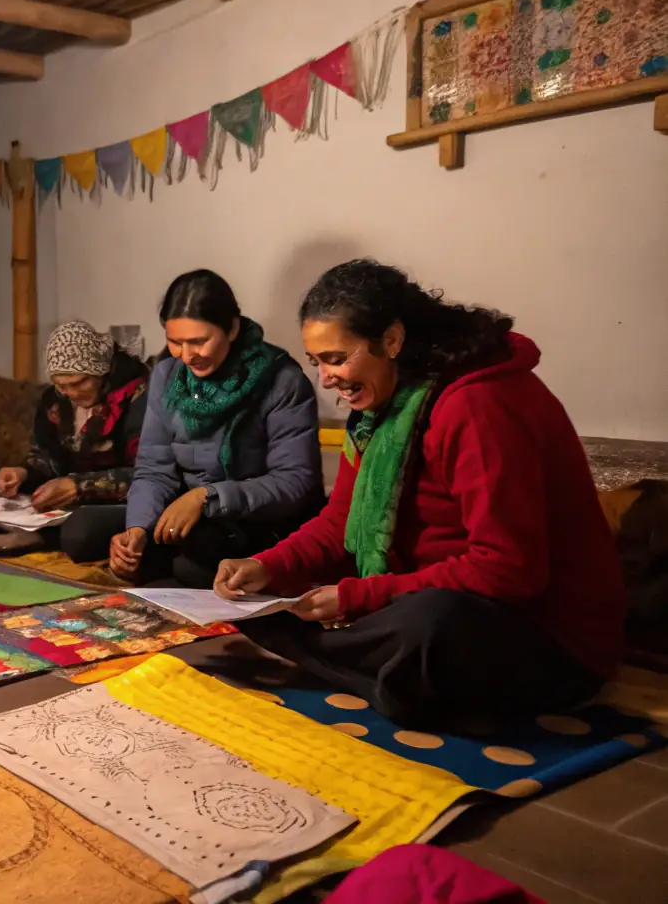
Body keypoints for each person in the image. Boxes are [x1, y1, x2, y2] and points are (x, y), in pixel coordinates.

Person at [216, 260, 625, 725]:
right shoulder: (380, 404)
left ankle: (353, 667)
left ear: (391, 341)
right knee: (270, 592)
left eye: (335, 358)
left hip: (544, 638)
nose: (326, 378)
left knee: (431, 623)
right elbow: (340, 524)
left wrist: (357, 599)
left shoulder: (478, 405)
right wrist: (266, 566)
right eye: (317, 362)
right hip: (432, 597)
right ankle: (373, 673)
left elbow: (510, 571)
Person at [111, 270, 323, 587]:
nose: (186, 355)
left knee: (196, 558)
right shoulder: (167, 374)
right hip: (190, 513)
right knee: (84, 532)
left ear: (232, 328)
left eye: (199, 341)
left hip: (258, 518)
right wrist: (138, 528)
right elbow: (154, 468)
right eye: (175, 342)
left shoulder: (281, 380)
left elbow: (293, 483)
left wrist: (207, 497)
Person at [0, 321, 149, 562]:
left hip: (125, 501)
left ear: (100, 371)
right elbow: (50, 456)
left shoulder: (136, 399)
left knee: (80, 533)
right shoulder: (56, 401)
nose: (72, 393)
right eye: (62, 385)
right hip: (72, 502)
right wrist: (22, 472)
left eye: (79, 383)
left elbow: (147, 474)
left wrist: (78, 487)